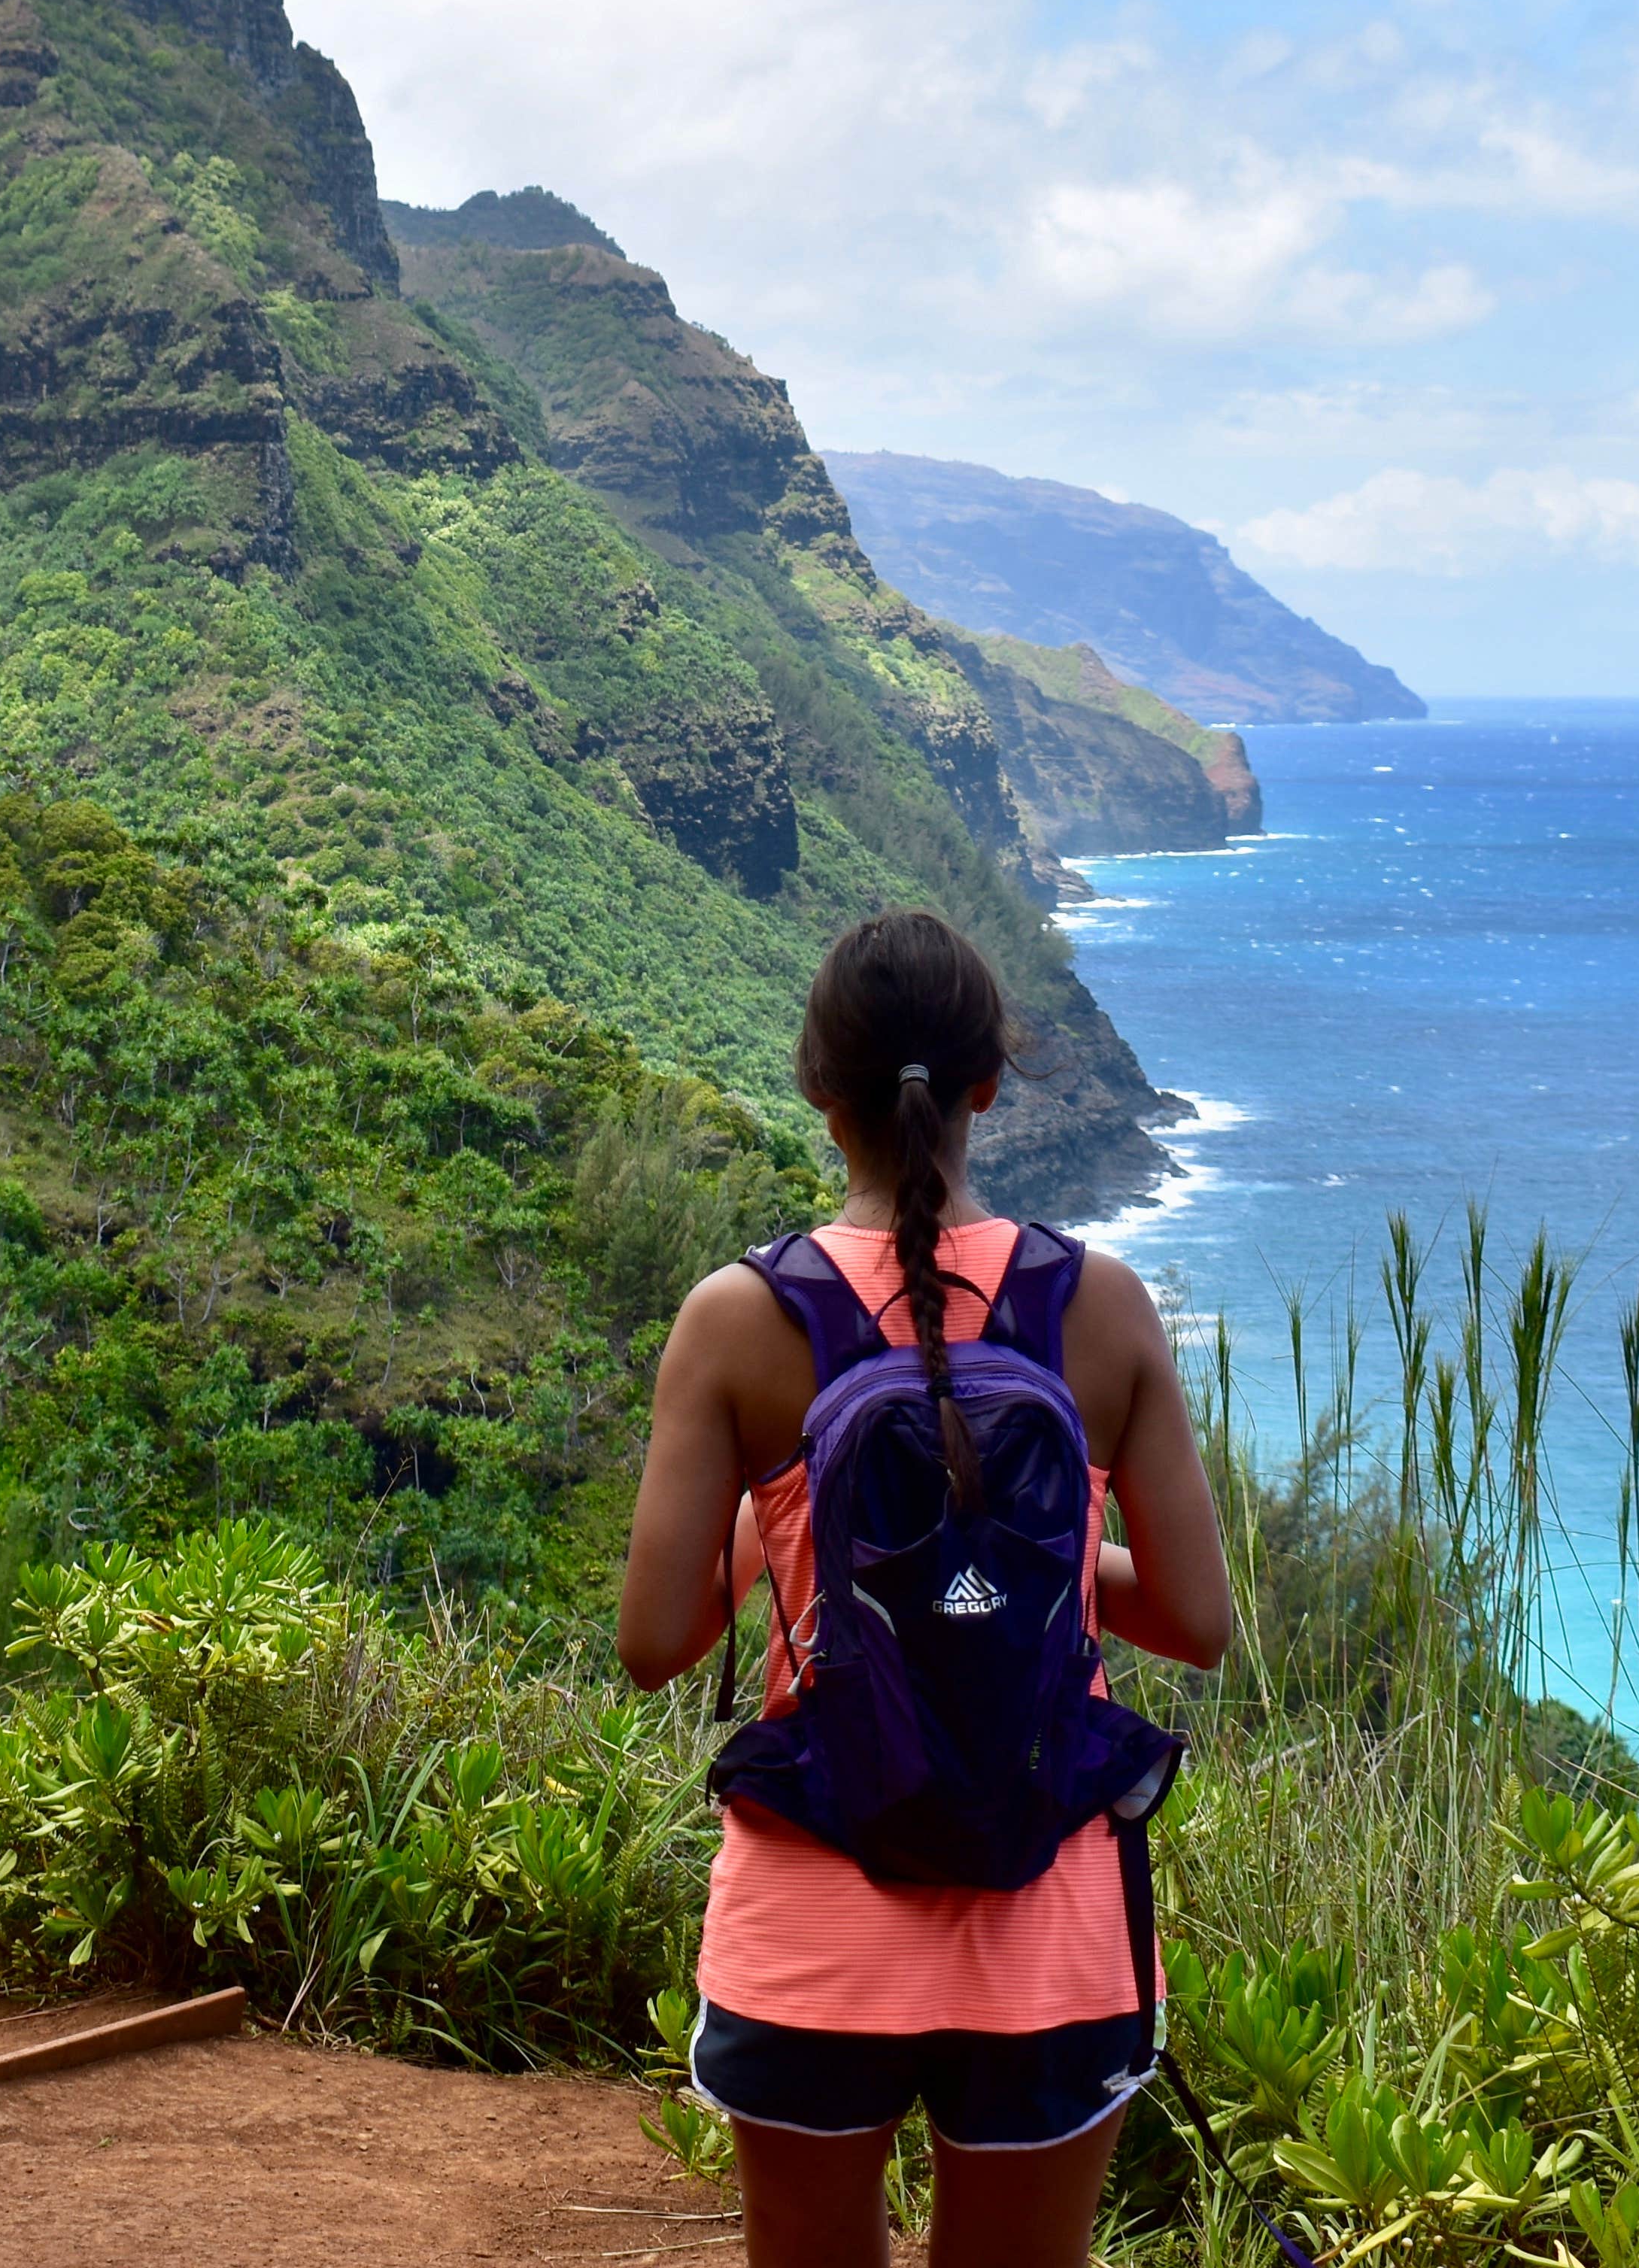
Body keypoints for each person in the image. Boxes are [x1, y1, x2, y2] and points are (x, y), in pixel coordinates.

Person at [616, 908, 1234, 2268]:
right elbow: (1198, 1622)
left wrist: (804, 1531)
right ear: (988, 1087)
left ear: (817, 1090)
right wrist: (1039, 1559)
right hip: (1052, 1920)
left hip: (815, 1917)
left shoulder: (736, 1319)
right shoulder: (1103, 1304)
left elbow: (656, 1642)